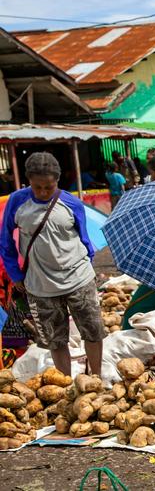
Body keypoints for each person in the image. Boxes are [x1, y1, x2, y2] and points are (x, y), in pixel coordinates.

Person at [0, 152, 104, 376]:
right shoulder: (17, 202)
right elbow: (5, 242)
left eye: (49, 187)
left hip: (79, 279)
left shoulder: (71, 203)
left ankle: (96, 378)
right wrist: (15, 275)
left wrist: (88, 270)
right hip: (40, 286)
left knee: (93, 331)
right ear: (29, 181)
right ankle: (66, 382)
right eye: (38, 187)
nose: (44, 192)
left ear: (57, 181)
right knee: (55, 340)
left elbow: (85, 240)